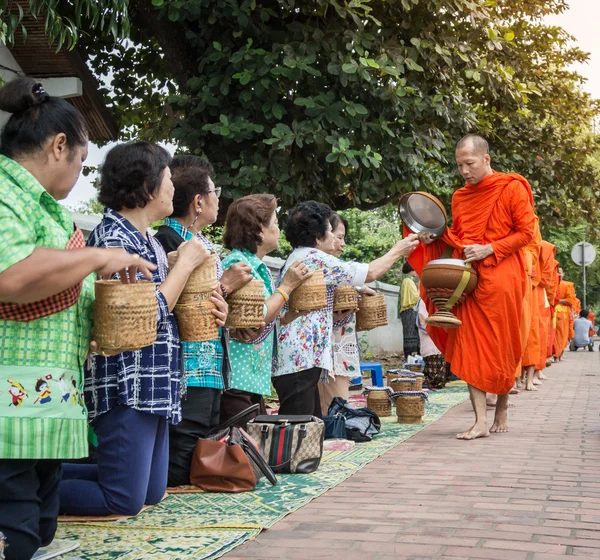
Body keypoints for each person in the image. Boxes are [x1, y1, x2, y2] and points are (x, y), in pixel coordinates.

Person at [0, 77, 156, 560]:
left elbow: (61, 289)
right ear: (59, 145)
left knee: (41, 531)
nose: (78, 177)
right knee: (18, 535)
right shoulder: (6, 192)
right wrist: (96, 259)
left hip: (44, 405)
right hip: (11, 408)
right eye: (80, 163)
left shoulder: (49, 210)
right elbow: (10, 275)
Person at [59, 142, 222, 516]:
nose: (173, 190)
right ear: (148, 187)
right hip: (127, 382)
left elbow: (170, 308)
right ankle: (17, 493)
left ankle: (33, 480)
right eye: (167, 180)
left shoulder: (146, 238)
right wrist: (183, 265)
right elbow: (141, 316)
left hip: (156, 381)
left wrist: (214, 300)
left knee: (151, 492)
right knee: (122, 499)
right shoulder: (114, 237)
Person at [410, 134, 535, 440]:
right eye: (459, 165)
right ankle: (480, 420)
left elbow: (527, 232)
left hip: (503, 275)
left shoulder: (511, 187)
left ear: (486, 159)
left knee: (502, 344)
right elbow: (459, 236)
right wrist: (433, 237)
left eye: (470, 163)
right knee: (470, 344)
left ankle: (501, 406)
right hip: (468, 279)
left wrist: (490, 248)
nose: (464, 170)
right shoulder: (460, 197)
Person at [274, 201, 419, 417]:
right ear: (317, 237)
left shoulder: (301, 256)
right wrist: (399, 250)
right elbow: (370, 272)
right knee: (297, 426)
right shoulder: (314, 257)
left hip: (299, 359)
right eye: (331, 231)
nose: (334, 238)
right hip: (299, 360)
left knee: (307, 424)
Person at [153, 155, 246, 487]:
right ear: (198, 201)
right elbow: (174, 302)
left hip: (207, 362)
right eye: (214, 191)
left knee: (199, 444)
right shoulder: (167, 241)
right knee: (181, 455)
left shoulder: (201, 245)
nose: (219, 199)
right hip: (186, 366)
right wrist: (226, 285)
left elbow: (205, 301)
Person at [220, 194, 312, 423]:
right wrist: (287, 287)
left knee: (254, 446)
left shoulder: (256, 265)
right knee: (240, 450)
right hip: (237, 377)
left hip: (252, 376)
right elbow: (256, 315)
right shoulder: (239, 265)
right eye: (276, 223)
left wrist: (289, 315)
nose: (279, 230)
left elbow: (265, 319)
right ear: (259, 229)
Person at [318, 212, 376, 413]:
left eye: (343, 238)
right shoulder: (321, 264)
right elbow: (370, 273)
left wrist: (359, 291)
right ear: (323, 234)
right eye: (338, 237)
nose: (342, 244)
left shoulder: (331, 267)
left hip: (341, 344)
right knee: (335, 404)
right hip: (330, 347)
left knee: (336, 401)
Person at [417, 298, 450, 389]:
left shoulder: (436, 298)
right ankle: (432, 382)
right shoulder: (424, 300)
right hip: (429, 333)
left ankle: (439, 381)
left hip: (437, 331)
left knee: (441, 357)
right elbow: (423, 316)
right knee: (432, 356)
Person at [552, 269, 576, 362]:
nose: (558, 274)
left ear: (563, 274)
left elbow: (570, 300)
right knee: (554, 334)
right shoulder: (551, 283)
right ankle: (554, 355)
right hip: (552, 310)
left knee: (562, 334)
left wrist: (557, 300)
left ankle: (559, 354)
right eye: (556, 272)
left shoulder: (567, 285)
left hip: (563, 312)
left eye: (560, 272)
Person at [400, 262, 420, 357]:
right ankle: (411, 357)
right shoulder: (408, 281)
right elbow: (415, 297)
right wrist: (420, 289)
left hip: (406, 311)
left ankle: (409, 357)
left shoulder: (406, 280)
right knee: (411, 334)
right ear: (411, 269)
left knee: (409, 334)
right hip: (410, 310)